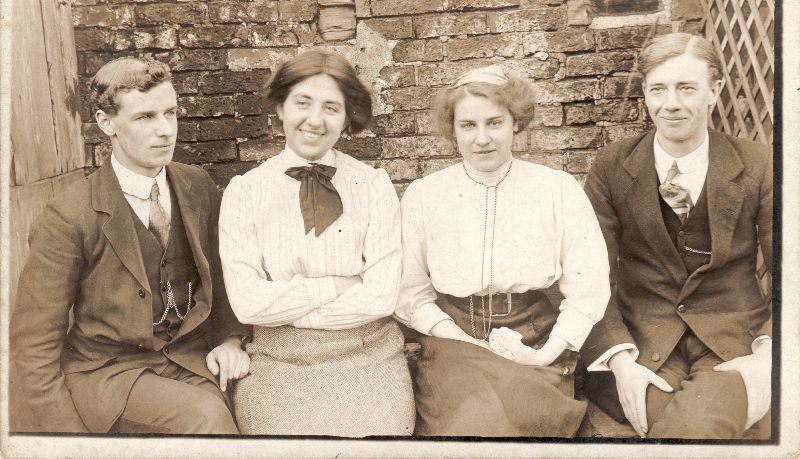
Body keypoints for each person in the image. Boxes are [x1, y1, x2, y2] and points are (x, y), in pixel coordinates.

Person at [10, 57, 251, 434]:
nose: (165, 130)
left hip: (188, 360)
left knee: (262, 404)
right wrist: (71, 441)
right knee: (207, 417)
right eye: (144, 117)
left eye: (170, 113)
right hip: (109, 373)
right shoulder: (68, 215)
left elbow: (222, 281)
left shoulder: (197, 186)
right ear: (107, 123)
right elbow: (33, 345)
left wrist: (232, 340)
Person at [394, 64, 611, 437]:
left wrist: (546, 353)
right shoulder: (424, 195)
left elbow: (588, 287)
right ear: (453, 129)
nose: (482, 139)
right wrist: (468, 342)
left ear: (516, 123)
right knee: (474, 424)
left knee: (530, 419)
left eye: (494, 123)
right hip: (454, 340)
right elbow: (410, 292)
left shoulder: (556, 189)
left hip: (535, 336)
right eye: (468, 125)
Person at [581, 32, 772, 439]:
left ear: (713, 92)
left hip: (731, 340)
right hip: (644, 344)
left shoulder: (758, 163)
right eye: (658, 89)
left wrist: (768, 354)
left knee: (699, 425)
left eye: (687, 88)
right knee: (669, 420)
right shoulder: (612, 165)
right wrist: (620, 361)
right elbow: (590, 277)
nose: (671, 103)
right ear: (645, 94)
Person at [218, 50, 415, 437]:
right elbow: (248, 303)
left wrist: (287, 307)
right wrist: (337, 286)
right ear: (280, 107)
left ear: (347, 117)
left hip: (368, 353)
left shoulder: (373, 185)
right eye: (302, 103)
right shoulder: (245, 192)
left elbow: (381, 298)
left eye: (331, 107)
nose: (315, 120)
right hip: (278, 357)